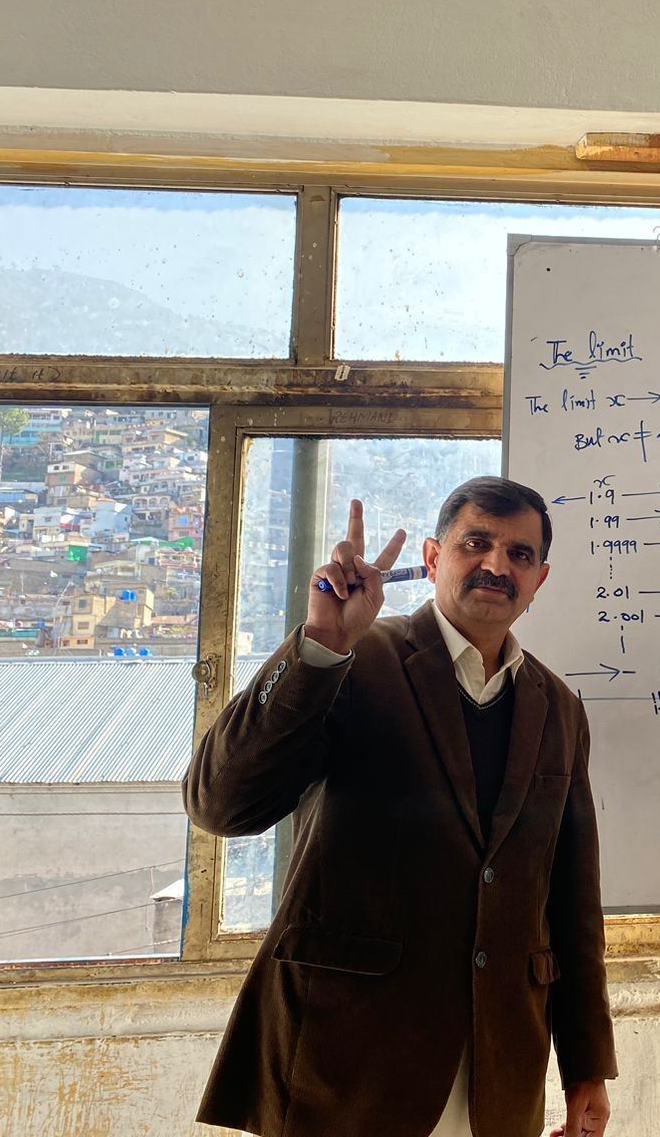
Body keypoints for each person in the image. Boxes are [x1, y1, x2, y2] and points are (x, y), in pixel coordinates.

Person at [185, 476, 616, 1137]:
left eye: (520, 554)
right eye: (476, 543)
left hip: (498, 1076)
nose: (497, 565)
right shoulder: (353, 661)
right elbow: (220, 805)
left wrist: (585, 1065)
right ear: (434, 558)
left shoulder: (557, 708)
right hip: (346, 1066)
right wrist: (321, 644)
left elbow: (571, 901)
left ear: (539, 579)